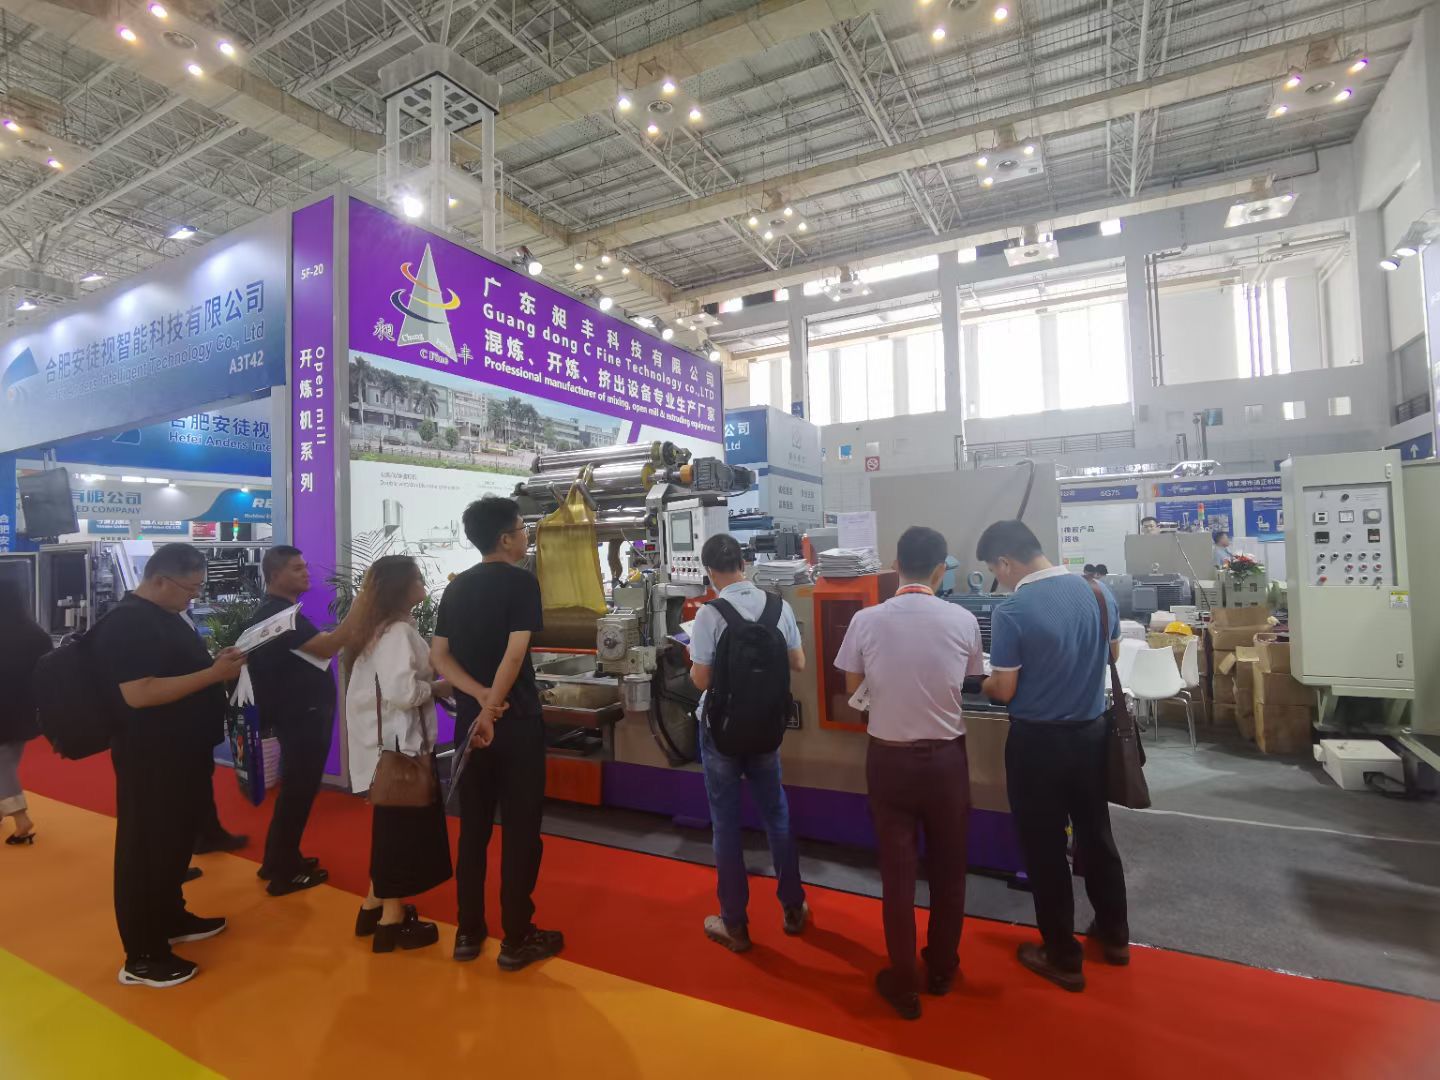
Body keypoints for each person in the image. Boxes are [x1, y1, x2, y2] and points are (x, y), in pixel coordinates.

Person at [834, 526, 983, 1020]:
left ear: (895, 565)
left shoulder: (866, 620)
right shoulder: (963, 620)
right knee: (949, 869)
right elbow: (968, 681)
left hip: (889, 760)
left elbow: (853, 690)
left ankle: (902, 982)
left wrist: (887, 702)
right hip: (946, 762)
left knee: (897, 875)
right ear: (941, 569)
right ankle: (941, 969)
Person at [977, 520, 1129, 993]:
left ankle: (1062, 955)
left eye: (994, 570)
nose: (998, 579)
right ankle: (1114, 936)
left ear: (1005, 562)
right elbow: (1112, 653)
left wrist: (981, 681)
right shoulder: (1099, 593)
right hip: (1092, 736)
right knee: (1095, 834)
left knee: (1045, 848)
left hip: (1037, 745)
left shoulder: (1013, 610)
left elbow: (1004, 688)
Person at [94, 544, 245, 989]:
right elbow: (139, 693)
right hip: (151, 757)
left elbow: (176, 670)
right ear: (160, 580)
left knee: (174, 845)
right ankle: (142, 956)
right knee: (146, 852)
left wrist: (215, 665)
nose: (194, 596)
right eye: (190, 588)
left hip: (183, 752)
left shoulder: (165, 615)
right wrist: (213, 675)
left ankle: (170, 917)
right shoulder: (129, 622)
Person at [431, 496, 563, 971]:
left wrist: (478, 698)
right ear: (506, 539)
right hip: (516, 722)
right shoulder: (522, 583)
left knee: (474, 830)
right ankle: (517, 937)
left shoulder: (457, 587)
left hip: (470, 726)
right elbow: (515, 652)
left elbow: (439, 656)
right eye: (523, 529)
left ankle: (468, 932)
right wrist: (493, 706)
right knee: (521, 832)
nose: (526, 536)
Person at [687, 533, 807, 955]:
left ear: (710, 572)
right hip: (767, 727)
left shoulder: (710, 614)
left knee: (726, 823)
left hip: (722, 732)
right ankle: (793, 907)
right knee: (776, 813)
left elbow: (701, 679)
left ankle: (734, 923)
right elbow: (798, 662)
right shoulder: (779, 607)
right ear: (743, 564)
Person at [345, 555, 451, 954]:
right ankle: (391, 921)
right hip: (400, 751)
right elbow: (403, 693)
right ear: (400, 587)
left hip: (384, 751)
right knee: (401, 835)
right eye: (417, 577)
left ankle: (372, 905)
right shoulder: (398, 634)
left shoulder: (375, 631)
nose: (423, 582)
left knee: (390, 830)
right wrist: (438, 688)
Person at [244, 545, 360, 896]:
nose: (306, 573)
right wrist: (363, 608)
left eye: (305, 567)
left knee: (297, 791)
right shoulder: (280, 616)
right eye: (297, 568)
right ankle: (284, 872)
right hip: (300, 716)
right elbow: (326, 647)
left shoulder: (279, 612)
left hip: (297, 714)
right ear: (275, 575)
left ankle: (278, 858)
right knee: (298, 791)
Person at [0, 582, 52, 846]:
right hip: (25, 709)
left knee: (2, 764)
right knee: (8, 760)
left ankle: (21, 819)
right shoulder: (36, 634)